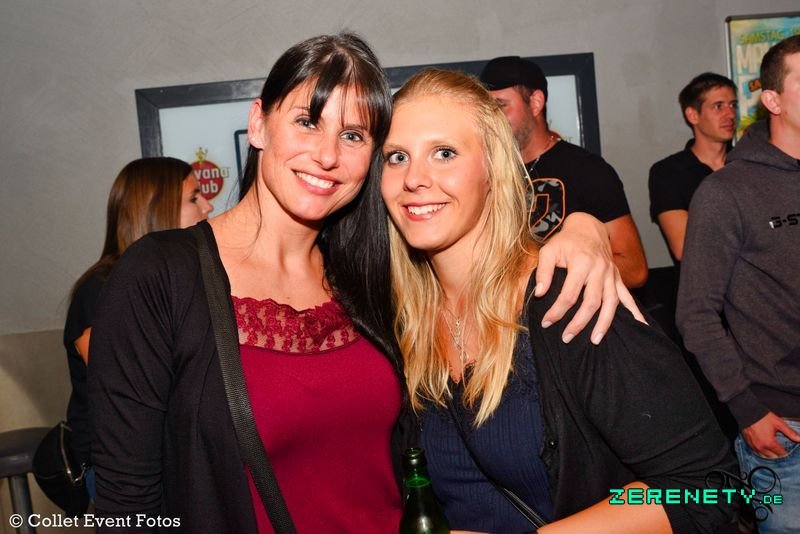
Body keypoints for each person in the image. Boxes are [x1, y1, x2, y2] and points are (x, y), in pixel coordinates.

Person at [89, 34, 641, 534]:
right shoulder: (160, 276)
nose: (327, 155)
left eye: (352, 135)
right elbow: (125, 507)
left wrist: (582, 228)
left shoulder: (373, 276)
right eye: (308, 121)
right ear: (258, 123)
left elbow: (683, 483)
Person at [378, 68, 738, 533]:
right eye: (397, 157)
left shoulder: (570, 301)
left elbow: (709, 487)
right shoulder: (400, 318)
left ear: (494, 169)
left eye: (444, 153)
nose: (413, 178)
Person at [676, 35, 800, 533]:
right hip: (786, 426)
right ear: (773, 99)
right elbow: (696, 314)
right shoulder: (727, 191)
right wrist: (747, 410)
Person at [64, 157, 212, 498]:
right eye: (194, 197)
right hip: (126, 475)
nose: (208, 206)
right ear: (156, 210)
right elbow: (128, 394)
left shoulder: (177, 279)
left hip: (177, 459)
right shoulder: (102, 289)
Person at [479, 56, 648, 288]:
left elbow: (634, 269)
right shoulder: (485, 171)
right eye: (487, 110)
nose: (492, 119)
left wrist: (555, 269)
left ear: (536, 103)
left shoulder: (586, 169)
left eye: (500, 106)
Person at [649, 72, 737, 265]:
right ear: (693, 115)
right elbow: (684, 247)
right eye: (718, 106)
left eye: (733, 105)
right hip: (704, 282)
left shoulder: (749, 164)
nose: (730, 114)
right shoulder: (669, 173)